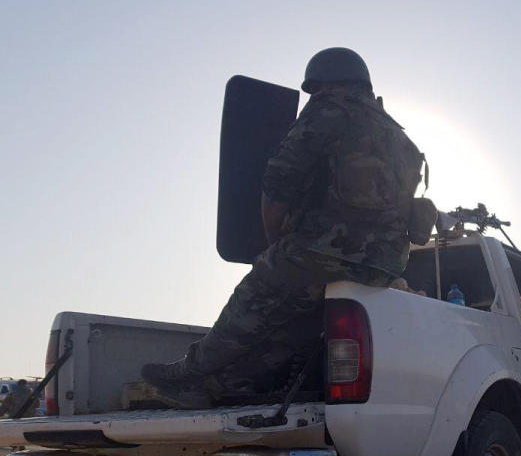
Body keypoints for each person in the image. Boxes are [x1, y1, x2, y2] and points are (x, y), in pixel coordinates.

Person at [141, 48, 425, 407]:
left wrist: (274, 245)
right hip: (382, 266)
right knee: (293, 330)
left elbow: (278, 183)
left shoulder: (328, 110)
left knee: (251, 303)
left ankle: (189, 371)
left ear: (325, 83)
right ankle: (222, 387)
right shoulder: (399, 136)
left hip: (323, 250)